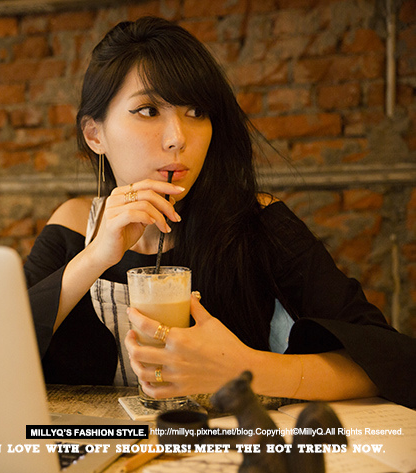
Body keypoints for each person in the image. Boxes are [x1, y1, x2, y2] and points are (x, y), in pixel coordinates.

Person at [24, 17, 415, 408]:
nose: (178, 138)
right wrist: (95, 257)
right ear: (95, 134)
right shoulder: (73, 226)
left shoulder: (255, 222)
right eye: (148, 110)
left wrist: (246, 369)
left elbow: (394, 361)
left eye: (196, 111)